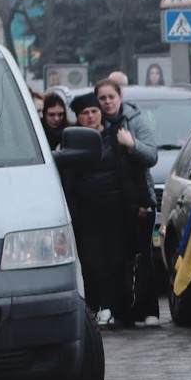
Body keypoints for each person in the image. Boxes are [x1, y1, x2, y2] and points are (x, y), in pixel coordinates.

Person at [94, 79, 159, 326]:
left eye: (111, 96)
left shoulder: (135, 120)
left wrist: (132, 145)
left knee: (143, 259)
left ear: (120, 96)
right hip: (111, 203)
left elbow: (151, 156)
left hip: (140, 200)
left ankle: (149, 309)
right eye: (103, 98)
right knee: (113, 258)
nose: (108, 102)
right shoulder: (96, 124)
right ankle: (119, 310)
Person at [63, 95, 125, 324]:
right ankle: (94, 305)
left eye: (94, 111)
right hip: (85, 207)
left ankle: (111, 306)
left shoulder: (115, 135)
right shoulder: (72, 139)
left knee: (114, 259)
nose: (91, 116)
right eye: (85, 113)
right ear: (78, 117)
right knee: (90, 260)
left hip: (114, 205)